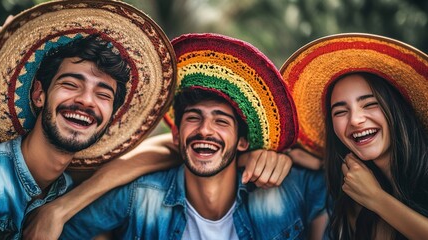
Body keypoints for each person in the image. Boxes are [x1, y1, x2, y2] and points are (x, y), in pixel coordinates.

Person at [59, 33, 328, 240]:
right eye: (193, 117)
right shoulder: (137, 196)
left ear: (242, 142)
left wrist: (305, 157)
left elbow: (343, 195)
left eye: (221, 121)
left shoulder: (292, 187)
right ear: (176, 135)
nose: (205, 130)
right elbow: (65, 231)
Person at [0, 1, 178, 238]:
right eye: (71, 84)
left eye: (103, 95)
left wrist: (60, 209)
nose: (86, 101)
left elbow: (173, 146)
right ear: (38, 94)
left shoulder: (65, 187)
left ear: (112, 116)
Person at [280, 33, 428, 239]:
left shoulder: (371, 193)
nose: (355, 120)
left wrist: (376, 198)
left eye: (370, 104)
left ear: (396, 109)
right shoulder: (352, 199)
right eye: (340, 111)